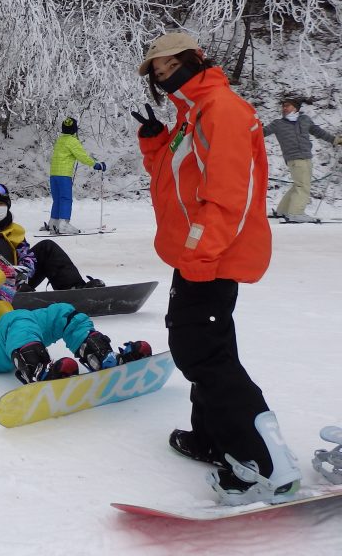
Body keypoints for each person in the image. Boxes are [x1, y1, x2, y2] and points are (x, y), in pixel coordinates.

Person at [133, 30, 301, 506]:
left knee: (203, 352)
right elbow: (176, 183)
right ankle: (211, 439)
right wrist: (155, 143)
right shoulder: (192, 114)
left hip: (211, 255)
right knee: (205, 344)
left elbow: (230, 195)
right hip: (198, 252)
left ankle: (263, 464)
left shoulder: (221, 110)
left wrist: (200, 256)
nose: (163, 77)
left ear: (190, 59)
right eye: (157, 73)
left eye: (166, 67)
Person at [0, 230, 150, 383]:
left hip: (10, 334)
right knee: (17, 319)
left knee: (61, 311)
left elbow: (3, 299)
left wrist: (8, 278)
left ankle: (100, 355)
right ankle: (36, 370)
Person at [0, 177, 104, 291]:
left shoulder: (13, 230)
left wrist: (22, 275)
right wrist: (11, 277)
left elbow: (27, 255)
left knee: (47, 247)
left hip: (22, 283)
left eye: (0, 205)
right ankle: (13, 289)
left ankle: (73, 287)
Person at [262, 97, 342, 222]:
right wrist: (254, 128)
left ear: (295, 107)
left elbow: (318, 132)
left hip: (306, 157)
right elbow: (262, 132)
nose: (284, 108)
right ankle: (296, 213)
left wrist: (336, 140)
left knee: (298, 185)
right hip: (295, 158)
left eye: (287, 106)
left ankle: (282, 211)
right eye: (283, 106)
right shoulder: (278, 124)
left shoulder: (305, 120)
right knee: (303, 186)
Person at [47, 117, 106, 234]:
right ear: (74, 130)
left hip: (54, 175)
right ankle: (63, 224)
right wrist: (96, 165)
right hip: (64, 175)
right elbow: (82, 156)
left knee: (57, 199)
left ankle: (53, 223)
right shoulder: (72, 141)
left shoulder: (60, 140)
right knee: (65, 199)